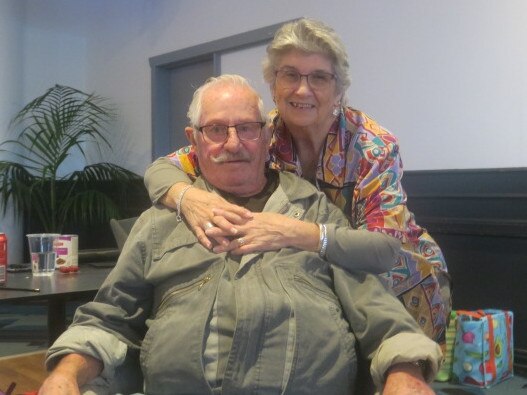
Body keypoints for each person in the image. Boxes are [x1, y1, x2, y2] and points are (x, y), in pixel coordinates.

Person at [40, 75, 441, 395]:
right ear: (194, 139)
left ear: (268, 136)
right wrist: (67, 372)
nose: (233, 143)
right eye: (215, 129)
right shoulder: (159, 222)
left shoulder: (316, 211)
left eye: (247, 128)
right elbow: (109, 317)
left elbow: (378, 314)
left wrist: (405, 371)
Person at [144, 18, 451, 347]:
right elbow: (162, 169)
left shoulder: (371, 147)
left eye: (318, 77)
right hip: (324, 282)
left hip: (397, 283)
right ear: (273, 85)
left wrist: (293, 231)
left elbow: (384, 251)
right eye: (290, 74)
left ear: (339, 90)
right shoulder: (260, 133)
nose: (302, 89)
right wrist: (188, 198)